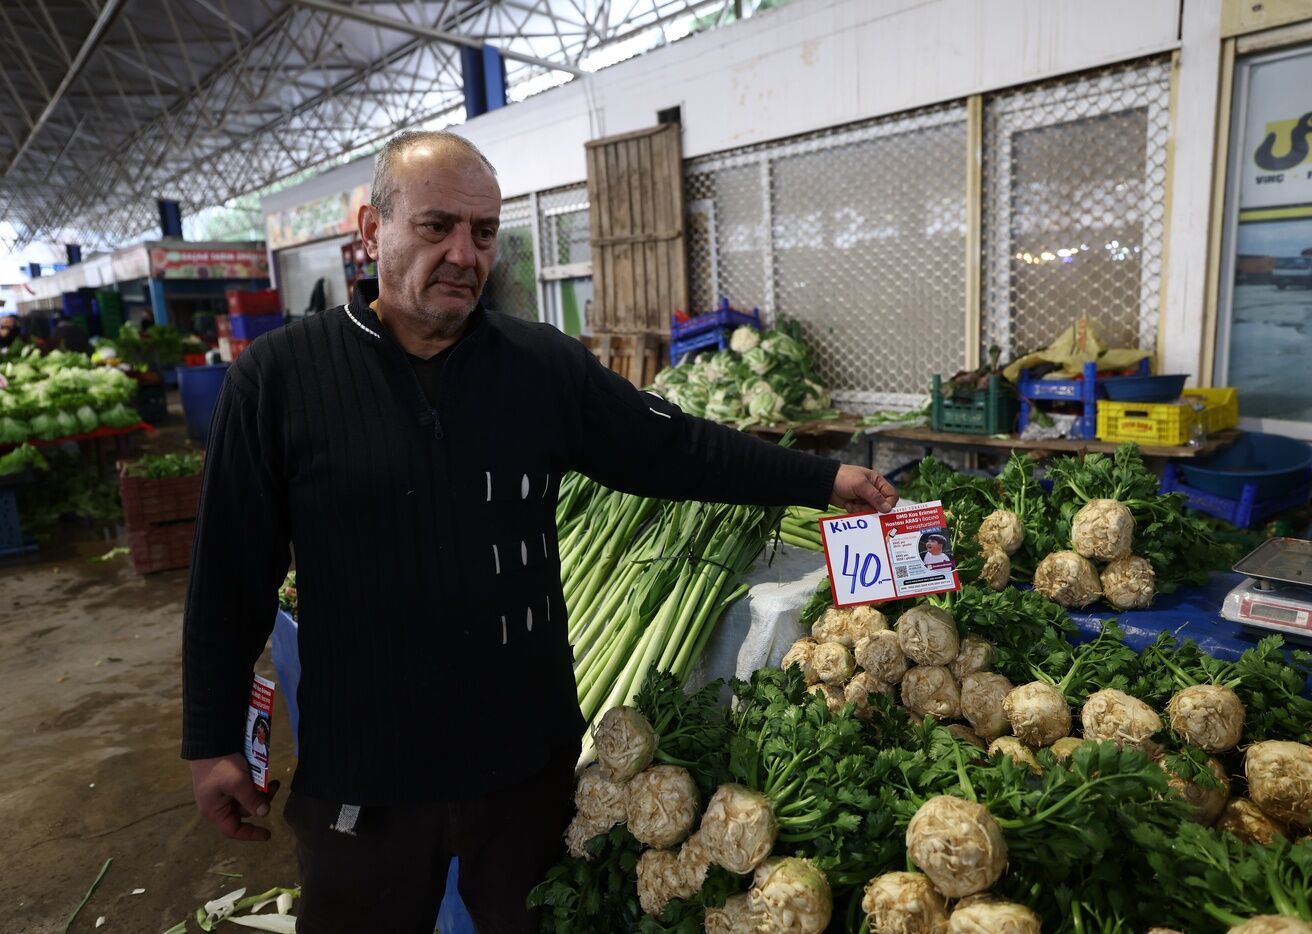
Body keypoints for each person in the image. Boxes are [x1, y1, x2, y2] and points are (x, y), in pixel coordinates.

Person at [182, 129, 897, 934]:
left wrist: (824, 477)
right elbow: (228, 579)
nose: (464, 253)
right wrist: (214, 741)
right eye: (437, 226)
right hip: (366, 776)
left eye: (483, 233)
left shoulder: (537, 366)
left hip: (525, 772)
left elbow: (675, 448)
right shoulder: (277, 380)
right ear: (370, 228)